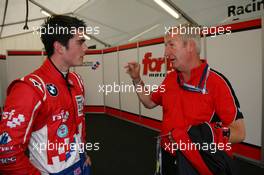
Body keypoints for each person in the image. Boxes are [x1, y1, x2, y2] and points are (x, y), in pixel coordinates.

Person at [125, 24, 246, 175]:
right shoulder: (170, 78)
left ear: (190, 45)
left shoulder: (217, 83)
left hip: (197, 160)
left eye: (171, 45)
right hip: (166, 156)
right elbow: (149, 102)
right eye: (165, 46)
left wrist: (196, 136)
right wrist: (136, 79)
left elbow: (239, 133)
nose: (165, 52)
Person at [0, 15, 91, 175]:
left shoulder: (76, 80)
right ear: (60, 47)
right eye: (80, 42)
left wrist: (83, 154)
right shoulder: (28, 88)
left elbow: (79, 122)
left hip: (82, 165)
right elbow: (6, 151)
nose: (86, 48)